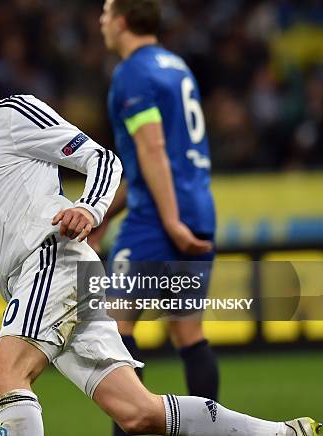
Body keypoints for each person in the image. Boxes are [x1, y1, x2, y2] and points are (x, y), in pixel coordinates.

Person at [0, 38, 321, 436]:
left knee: (4, 376)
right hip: (29, 282)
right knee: (138, 413)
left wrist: (89, 207)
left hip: (53, 261)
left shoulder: (12, 114)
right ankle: (281, 433)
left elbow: (101, 158)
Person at [91, 3, 219, 435]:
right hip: (198, 208)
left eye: (107, 12)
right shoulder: (176, 67)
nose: (102, 21)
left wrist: (169, 222)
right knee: (189, 335)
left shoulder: (132, 73)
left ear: (123, 21)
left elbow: (152, 150)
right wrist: (104, 213)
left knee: (114, 331)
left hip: (158, 221)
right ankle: (211, 429)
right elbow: (148, 163)